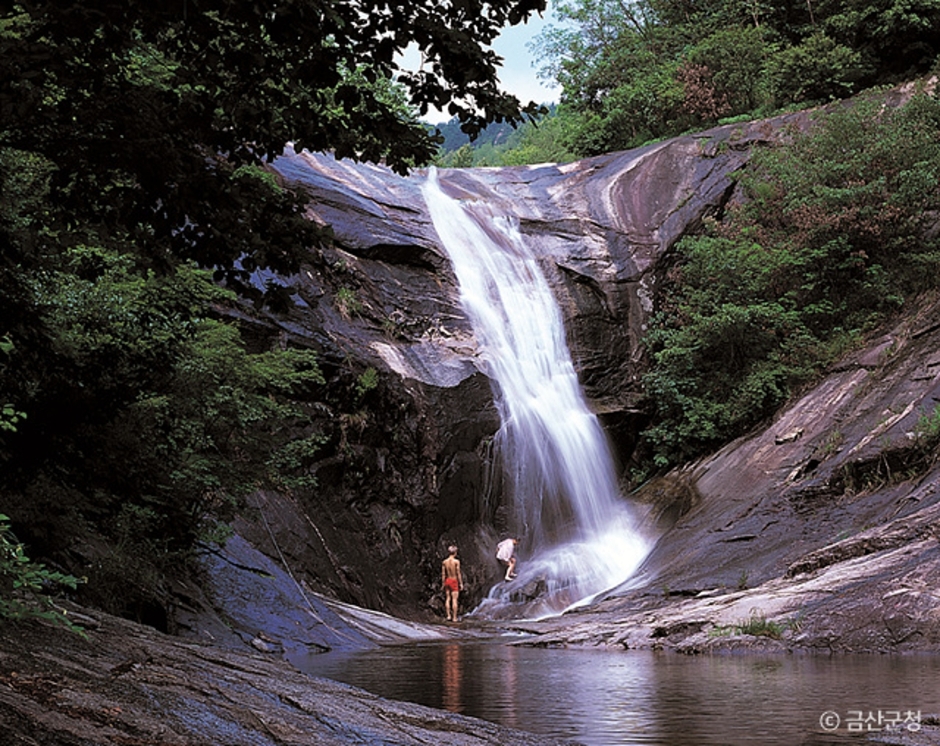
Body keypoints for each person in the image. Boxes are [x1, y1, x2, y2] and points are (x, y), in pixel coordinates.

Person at [441, 544, 463, 622]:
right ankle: (454, 617)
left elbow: (443, 574)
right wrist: (461, 583)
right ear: (455, 552)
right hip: (454, 581)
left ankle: (448, 616)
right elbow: (458, 573)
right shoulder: (456, 562)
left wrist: (443, 583)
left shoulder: (444, 562)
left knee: (448, 598)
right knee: (454, 599)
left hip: (447, 580)